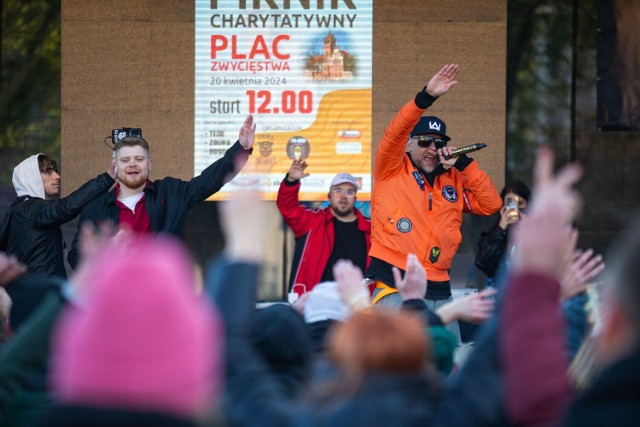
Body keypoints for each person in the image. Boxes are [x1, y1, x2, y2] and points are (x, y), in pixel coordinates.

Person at [366, 64, 502, 336]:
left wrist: (463, 163)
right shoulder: (391, 168)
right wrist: (425, 97)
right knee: (391, 366)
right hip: (396, 283)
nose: (432, 149)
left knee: (444, 367)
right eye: (425, 141)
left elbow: (491, 204)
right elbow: (395, 132)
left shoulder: (451, 177)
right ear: (409, 144)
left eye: (438, 144)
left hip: (440, 288)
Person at [68, 115, 256, 269]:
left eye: (139, 159)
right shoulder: (96, 206)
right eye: (125, 160)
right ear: (115, 166)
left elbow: (209, 181)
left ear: (149, 164)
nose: (132, 164)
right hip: (116, 301)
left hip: (162, 295)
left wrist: (241, 148)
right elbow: (75, 258)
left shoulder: (170, 193)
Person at [0, 154, 115, 329]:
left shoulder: (21, 210)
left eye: (55, 170)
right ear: (31, 177)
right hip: (39, 302)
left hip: (34, 299)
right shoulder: (29, 208)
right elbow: (67, 207)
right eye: (48, 172)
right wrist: (108, 178)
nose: (57, 176)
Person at [276, 159, 371, 295]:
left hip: (358, 306)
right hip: (316, 305)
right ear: (329, 196)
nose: (343, 196)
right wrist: (291, 181)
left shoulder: (371, 228)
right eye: (338, 190)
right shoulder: (313, 221)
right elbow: (287, 208)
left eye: (350, 192)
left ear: (355, 198)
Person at [474, 180, 531, 285]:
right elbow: (482, 263)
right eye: (511, 204)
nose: (517, 211)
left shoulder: (538, 234)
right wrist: (501, 228)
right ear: (503, 207)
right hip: (500, 293)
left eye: (521, 204)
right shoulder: (494, 233)